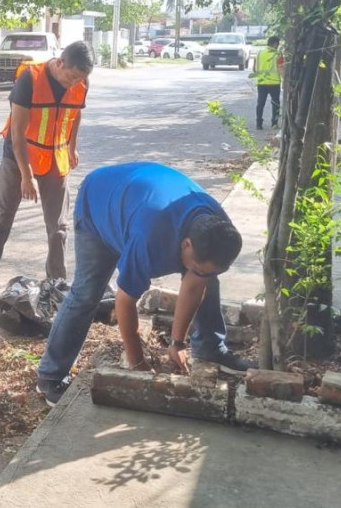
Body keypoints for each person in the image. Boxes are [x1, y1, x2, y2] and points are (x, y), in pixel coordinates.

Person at [35, 162, 252, 406]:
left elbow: (196, 285)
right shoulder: (150, 238)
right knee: (87, 292)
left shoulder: (219, 230)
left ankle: (210, 348)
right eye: (197, 269)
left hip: (136, 200)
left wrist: (177, 343)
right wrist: (138, 363)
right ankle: (50, 376)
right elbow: (125, 301)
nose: (198, 276)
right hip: (98, 204)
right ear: (186, 245)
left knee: (207, 282)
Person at [0, 41, 95, 314]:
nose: (74, 83)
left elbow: (75, 117)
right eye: (72, 76)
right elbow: (17, 133)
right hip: (19, 158)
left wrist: (72, 146)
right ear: (60, 62)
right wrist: (26, 177)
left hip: (54, 158)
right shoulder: (30, 79)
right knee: (0, 223)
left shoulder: (81, 84)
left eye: (80, 79)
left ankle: (57, 288)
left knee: (58, 229)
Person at [251, 36, 284, 129]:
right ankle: (274, 123)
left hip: (261, 83)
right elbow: (281, 68)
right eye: (278, 45)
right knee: (275, 104)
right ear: (275, 44)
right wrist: (285, 79)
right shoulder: (278, 54)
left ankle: (259, 123)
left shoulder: (259, 53)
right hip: (274, 83)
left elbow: (254, 68)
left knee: (260, 103)